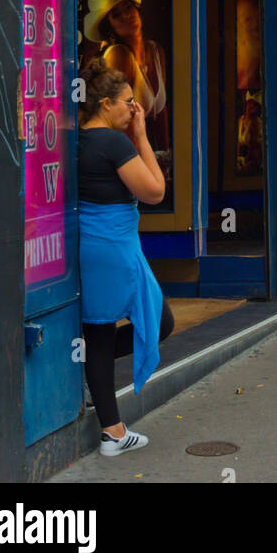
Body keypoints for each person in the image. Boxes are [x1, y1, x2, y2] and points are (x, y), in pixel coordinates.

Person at [78, 59, 174, 455]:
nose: (134, 109)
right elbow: (154, 191)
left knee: (98, 334)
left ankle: (112, 429)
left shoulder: (74, 140)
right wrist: (142, 136)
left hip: (87, 246)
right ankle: (112, 431)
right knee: (159, 322)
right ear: (104, 105)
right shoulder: (114, 143)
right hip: (116, 248)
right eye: (128, 102)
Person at [84, 0, 171, 183]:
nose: (126, 16)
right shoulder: (118, 54)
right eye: (116, 15)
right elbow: (119, 118)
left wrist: (166, 157)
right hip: (122, 159)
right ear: (109, 27)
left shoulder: (156, 51)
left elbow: (161, 110)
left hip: (146, 156)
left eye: (129, 7)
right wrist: (139, 168)